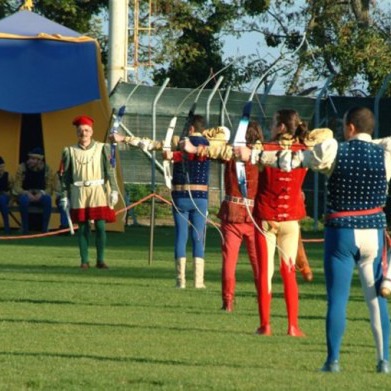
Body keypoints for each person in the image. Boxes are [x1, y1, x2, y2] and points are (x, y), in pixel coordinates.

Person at [286, 106, 390, 373]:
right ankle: (384, 360)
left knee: (338, 299)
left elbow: (305, 160)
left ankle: (333, 361)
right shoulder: (385, 154)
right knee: (376, 299)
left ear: (350, 128)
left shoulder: (336, 150)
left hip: (341, 232)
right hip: (373, 233)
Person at [111, 115, 218, 288]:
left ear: (190, 129)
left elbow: (149, 144)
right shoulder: (209, 145)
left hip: (180, 197)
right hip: (200, 199)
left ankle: (180, 280)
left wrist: (123, 138)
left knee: (181, 237)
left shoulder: (178, 142)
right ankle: (199, 282)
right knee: (199, 238)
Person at [59, 115, 119, 269]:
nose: (83, 133)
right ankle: (84, 260)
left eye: (86, 130)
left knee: (100, 226)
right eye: (80, 131)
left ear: (91, 132)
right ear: (76, 133)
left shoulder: (102, 148)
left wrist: (114, 190)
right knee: (83, 228)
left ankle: (101, 260)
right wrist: (65, 195)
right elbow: (65, 176)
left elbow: (110, 171)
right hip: (79, 192)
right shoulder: (69, 151)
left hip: (98, 191)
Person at [13, 147, 53, 234]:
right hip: (26, 193)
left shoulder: (47, 169)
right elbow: (17, 186)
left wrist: (42, 193)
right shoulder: (22, 167)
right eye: (30, 158)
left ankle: (45, 229)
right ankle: (25, 228)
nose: (30, 161)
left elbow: (49, 187)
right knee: (23, 201)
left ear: (39, 160)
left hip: (40, 194)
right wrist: (26, 193)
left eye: (33, 159)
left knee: (48, 200)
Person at [0, 156, 12, 234]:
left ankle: (7, 226)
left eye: (2, 167)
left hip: (5, 196)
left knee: (2, 199)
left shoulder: (8, 176)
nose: (2, 169)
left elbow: (12, 189)